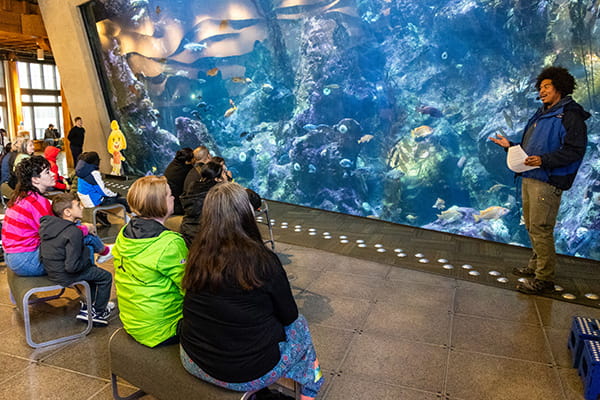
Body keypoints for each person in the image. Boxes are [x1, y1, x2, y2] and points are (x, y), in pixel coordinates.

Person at [179, 182, 323, 400]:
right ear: (246, 213)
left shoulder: (196, 254)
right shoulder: (264, 261)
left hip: (192, 359)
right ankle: (309, 392)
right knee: (299, 325)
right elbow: (289, 315)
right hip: (247, 374)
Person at [489, 66, 590, 294]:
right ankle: (535, 266)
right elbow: (532, 148)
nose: (542, 91)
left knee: (541, 228)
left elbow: (574, 150)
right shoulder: (542, 113)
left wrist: (544, 160)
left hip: (547, 179)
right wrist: (512, 147)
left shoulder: (570, 116)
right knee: (533, 226)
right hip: (530, 176)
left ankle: (544, 278)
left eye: (547, 86)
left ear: (560, 87)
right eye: (541, 87)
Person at [113, 175, 188, 347]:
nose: (173, 197)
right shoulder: (170, 243)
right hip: (163, 329)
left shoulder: (125, 232)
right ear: (159, 203)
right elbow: (189, 287)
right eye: (169, 195)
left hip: (133, 322)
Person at [39, 192, 114, 325]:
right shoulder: (73, 232)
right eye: (78, 205)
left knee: (92, 275)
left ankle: (89, 307)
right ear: (68, 212)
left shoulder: (50, 226)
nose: (82, 207)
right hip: (65, 274)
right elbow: (72, 266)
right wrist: (87, 262)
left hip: (53, 271)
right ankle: (98, 312)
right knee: (105, 276)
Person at [1, 156, 55, 276]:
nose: (53, 174)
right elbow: (53, 233)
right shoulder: (36, 201)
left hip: (12, 258)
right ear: (35, 179)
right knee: (82, 243)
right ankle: (89, 287)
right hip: (27, 261)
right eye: (47, 172)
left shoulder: (22, 196)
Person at [75, 151, 130, 226]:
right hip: (95, 202)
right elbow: (102, 190)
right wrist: (115, 194)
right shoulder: (93, 173)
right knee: (122, 200)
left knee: (113, 198)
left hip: (87, 201)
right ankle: (133, 218)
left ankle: (100, 216)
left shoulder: (81, 172)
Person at [179, 161, 227, 246]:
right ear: (217, 179)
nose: (226, 175)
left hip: (187, 234)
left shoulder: (192, 189)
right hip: (207, 241)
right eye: (224, 173)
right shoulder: (216, 195)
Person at [163, 147, 194, 215]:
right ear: (187, 161)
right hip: (176, 205)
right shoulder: (185, 169)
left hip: (167, 200)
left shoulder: (173, 164)